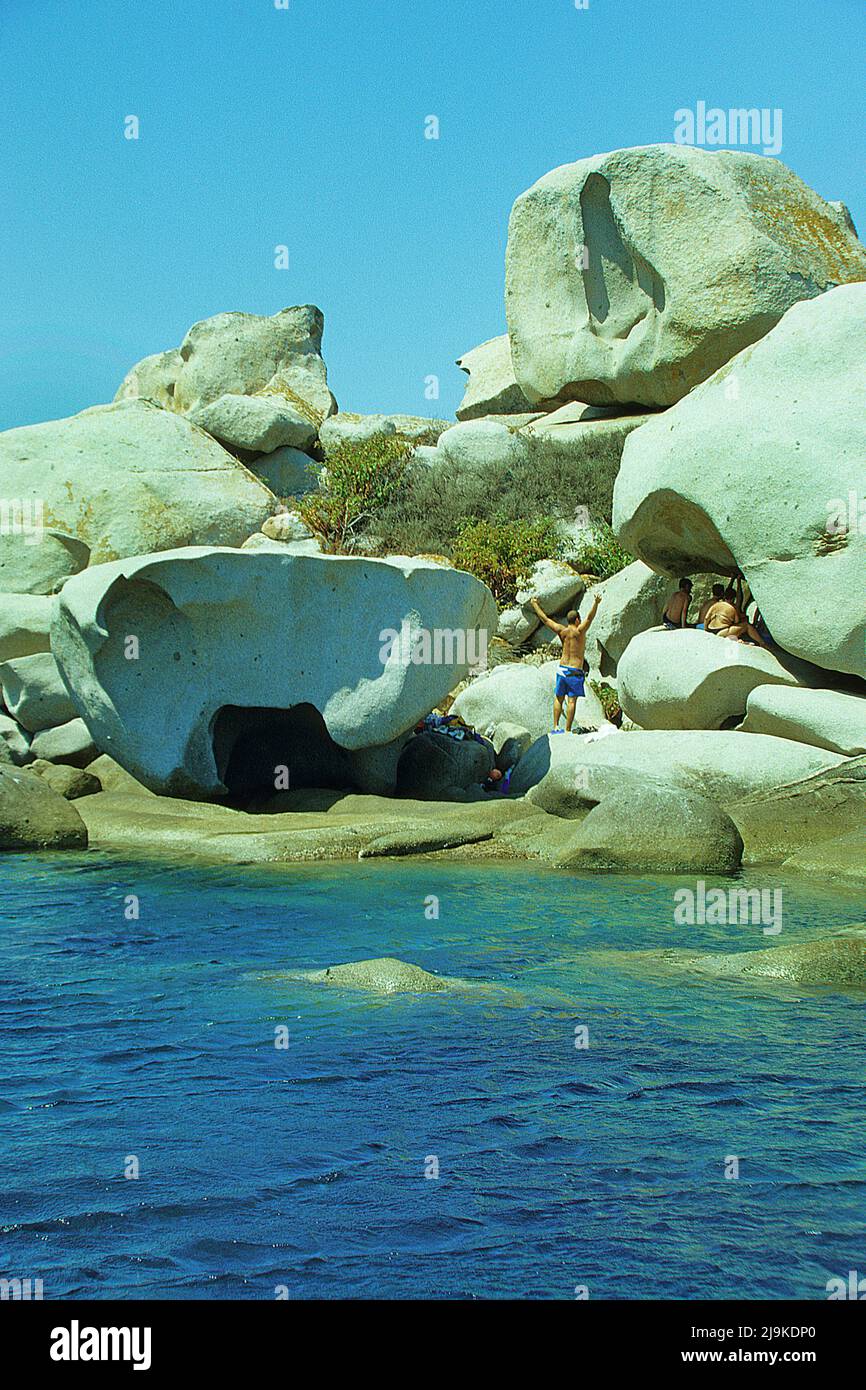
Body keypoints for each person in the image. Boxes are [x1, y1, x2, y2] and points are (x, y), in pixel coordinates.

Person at [530, 592, 601, 733]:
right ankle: (567, 730)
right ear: (577, 620)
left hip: (562, 669)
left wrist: (534, 604)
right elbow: (590, 618)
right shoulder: (579, 631)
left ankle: (556, 727)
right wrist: (596, 603)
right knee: (572, 701)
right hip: (574, 671)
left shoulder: (561, 630)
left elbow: (545, 619)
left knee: (558, 699)